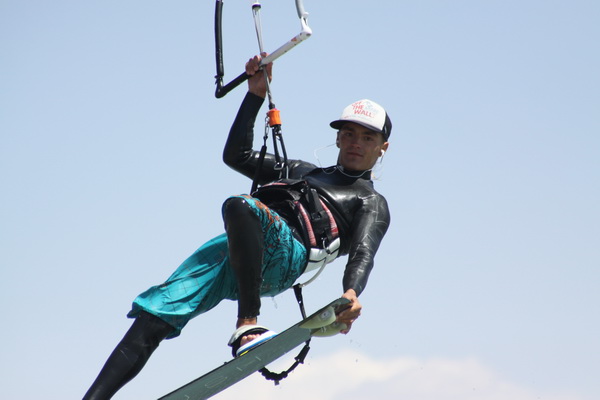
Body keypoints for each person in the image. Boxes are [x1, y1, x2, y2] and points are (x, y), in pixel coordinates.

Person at [83, 54, 391, 400]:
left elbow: (364, 252)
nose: (355, 143)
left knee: (240, 206)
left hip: (287, 255)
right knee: (156, 313)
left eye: (367, 138)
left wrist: (351, 294)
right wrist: (255, 94)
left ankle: (247, 325)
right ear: (337, 139)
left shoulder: (371, 202)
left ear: (382, 148)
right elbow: (237, 155)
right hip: (238, 249)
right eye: (349, 134)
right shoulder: (304, 171)